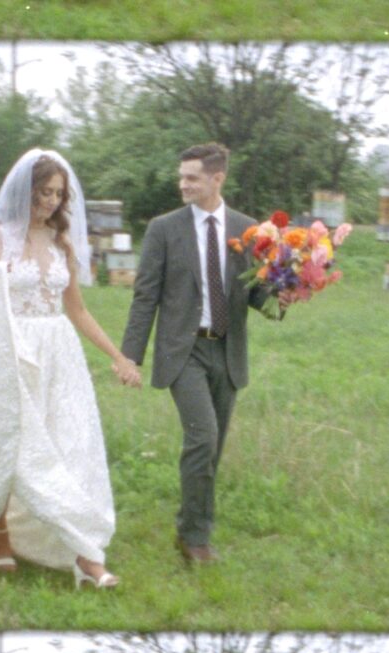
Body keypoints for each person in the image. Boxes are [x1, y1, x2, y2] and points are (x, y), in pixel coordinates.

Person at [0, 149, 141, 589]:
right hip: (10, 350)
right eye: (44, 191)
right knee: (9, 444)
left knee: (67, 447)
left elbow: (77, 310)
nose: (50, 201)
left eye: (58, 194)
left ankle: (84, 555)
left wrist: (117, 356)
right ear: (26, 190)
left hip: (58, 353)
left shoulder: (61, 244)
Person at [120, 142, 293, 564]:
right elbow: (146, 297)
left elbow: (252, 292)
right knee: (203, 437)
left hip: (228, 352)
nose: (183, 184)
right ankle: (196, 540)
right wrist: (130, 356)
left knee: (212, 449)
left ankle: (189, 527)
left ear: (218, 179)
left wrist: (283, 292)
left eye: (192, 177)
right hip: (184, 352)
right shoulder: (164, 229)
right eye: (181, 177)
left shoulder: (249, 229)